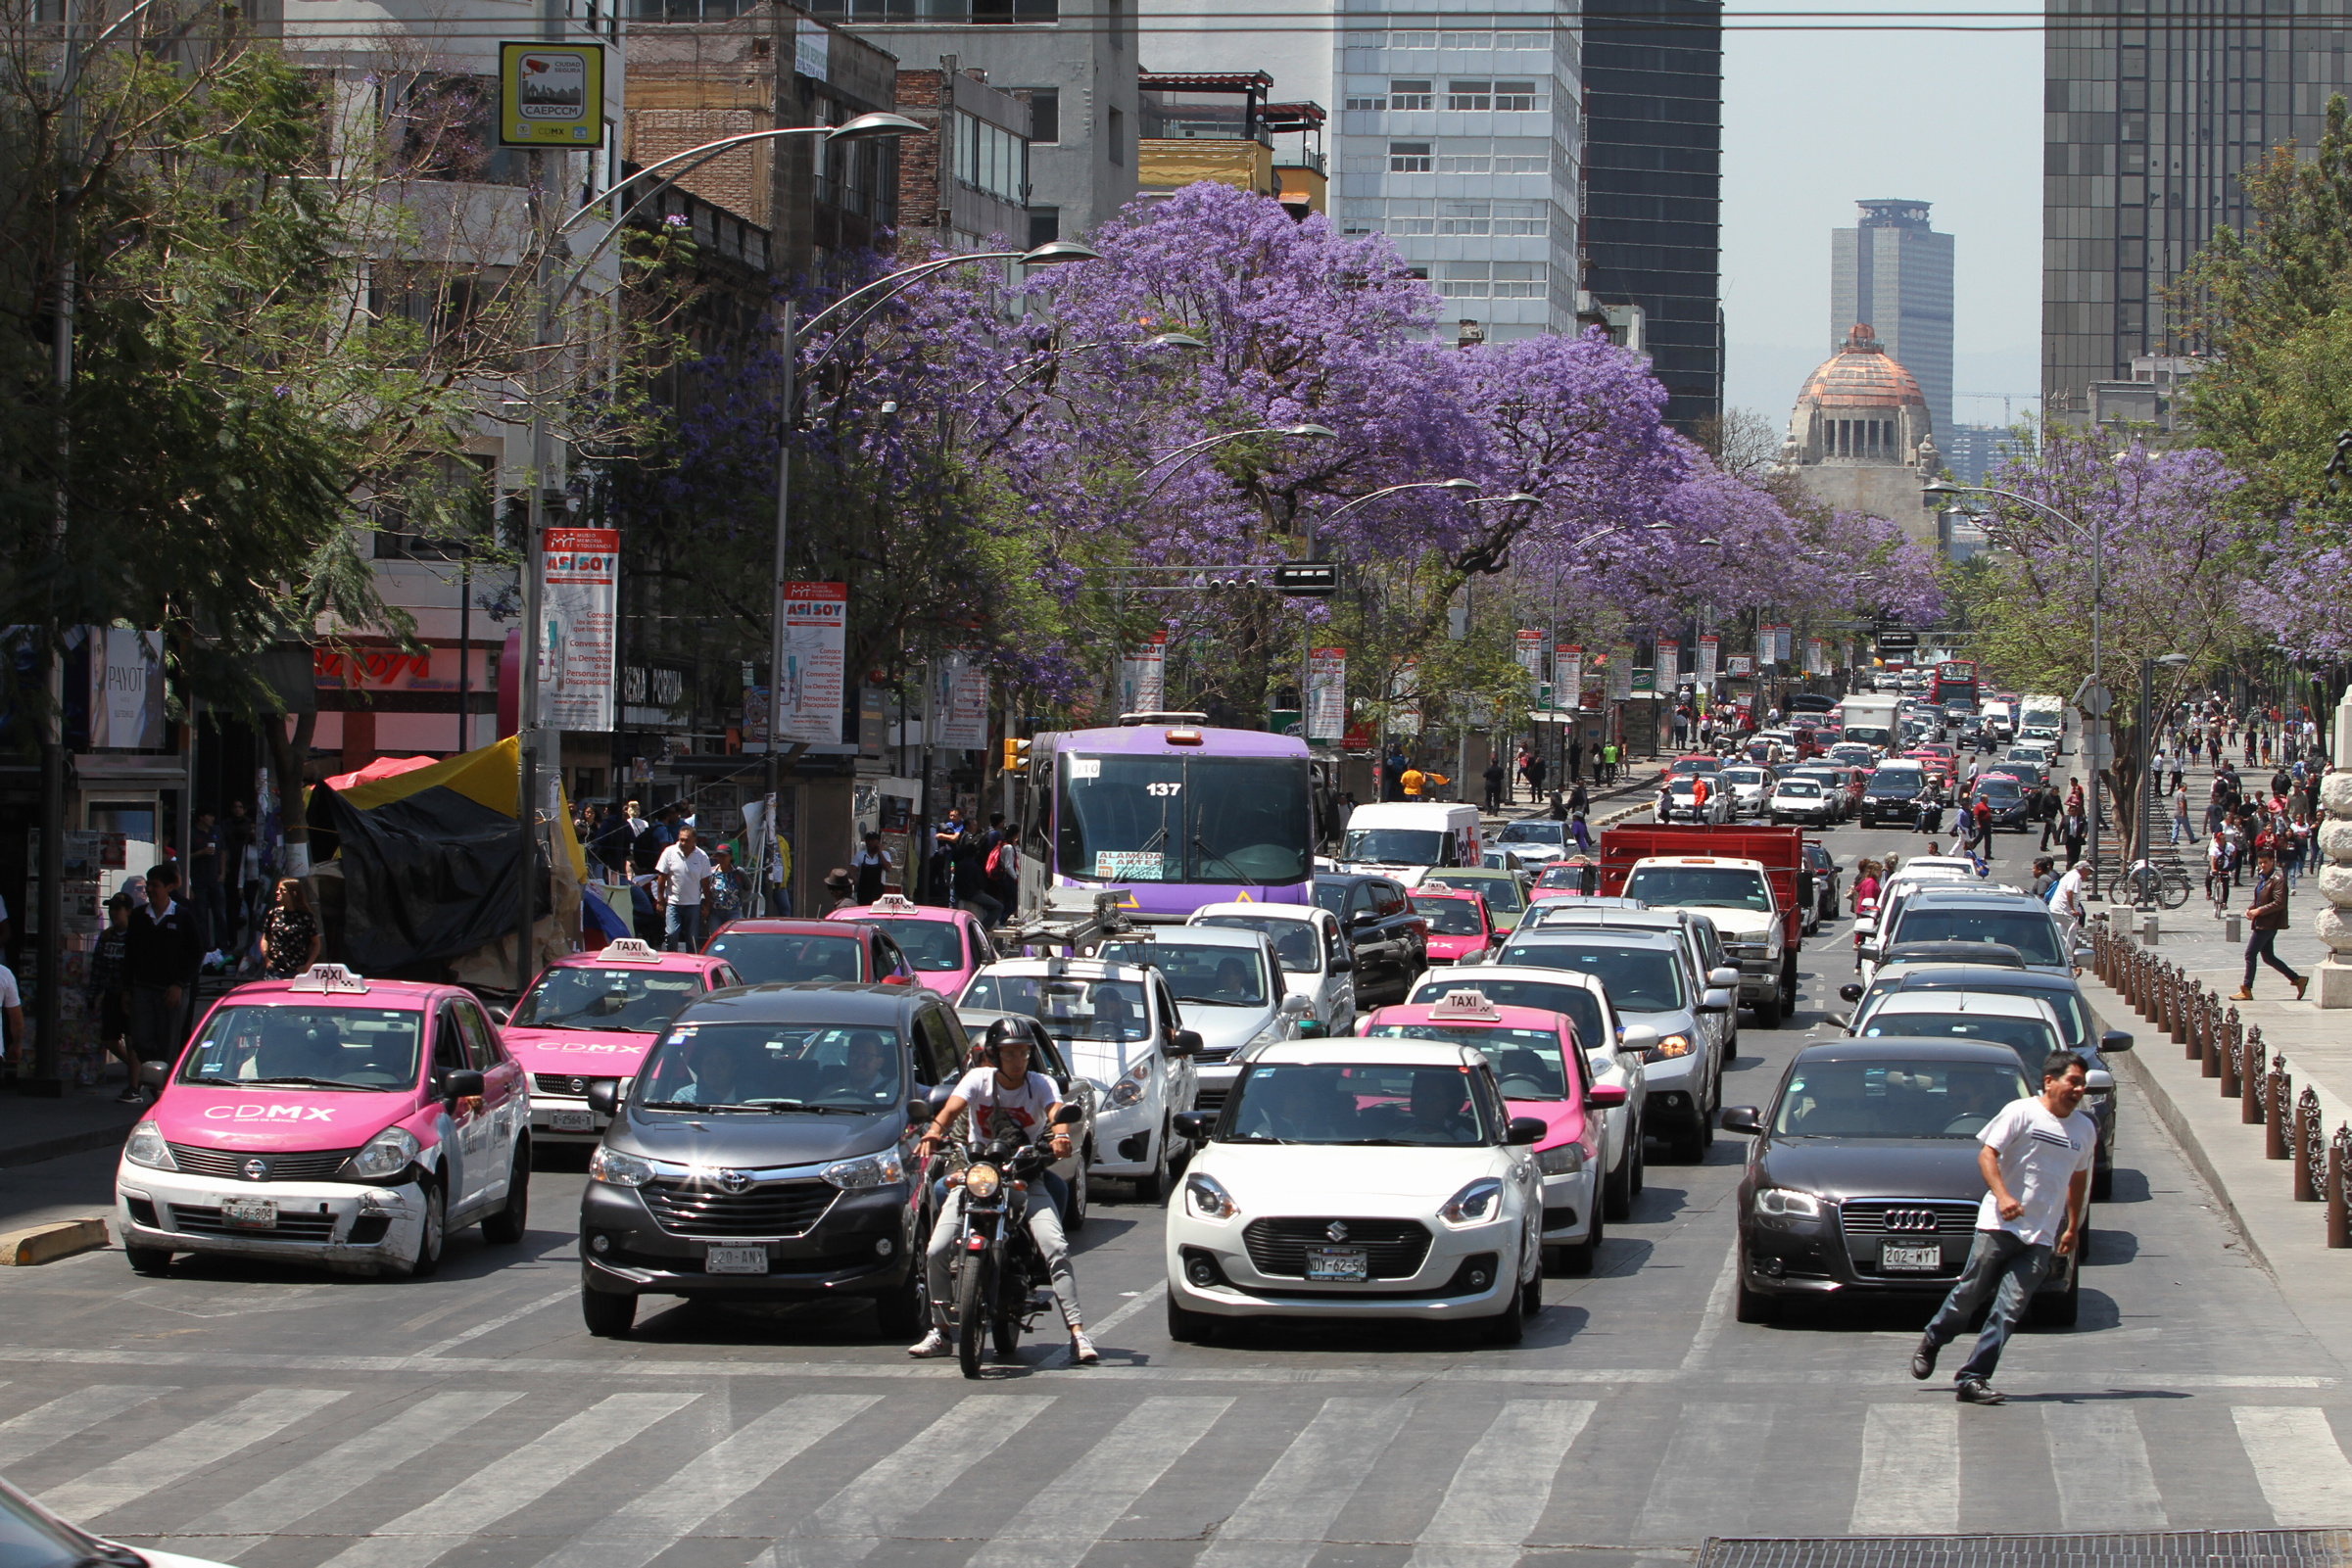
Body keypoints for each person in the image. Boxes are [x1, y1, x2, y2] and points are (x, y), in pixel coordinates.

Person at [1908, 1051, 2095, 1404]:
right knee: (1969, 1295)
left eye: (2083, 1084)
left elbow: (2078, 1177)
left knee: (2010, 1309)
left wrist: (2072, 1226)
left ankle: (1974, 1377)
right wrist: (2003, 1195)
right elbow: (1986, 1154)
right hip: (1999, 1224)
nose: (2079, 1089)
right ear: (2050, 1081)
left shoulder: (2084, 1129)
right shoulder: (2020, 1112)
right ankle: (1933, 1339)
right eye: (2073, 1081)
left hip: (2040, 1234)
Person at [910, 1021, 1096, 1364]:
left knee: (1055, 1245)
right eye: (1010, 1053)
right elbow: (951, 1109)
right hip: (979, 1173)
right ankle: (940, 1331)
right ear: (994, 1055)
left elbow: (1057, 1112)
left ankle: (1078, 1333)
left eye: (1024, 1053)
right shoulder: (977, 1080)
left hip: (1025, 1174)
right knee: (936, 1249)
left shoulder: (1040, 1084)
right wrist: (934, 1132)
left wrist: (1061, 1135)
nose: (1018, 1060)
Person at [124, 864, 202, 1073]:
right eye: (148, 885)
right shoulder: (139, 916)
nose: (150, 889)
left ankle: (163, 1089)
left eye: (155, 885)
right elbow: (130, 953)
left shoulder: (182, 915)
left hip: (172, 992)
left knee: (169, 1044)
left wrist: (179, 985)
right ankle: (153, 1076)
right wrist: (126, 989)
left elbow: (195, 954)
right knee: (140, 1039)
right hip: (143, 988)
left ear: (168, 887)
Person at [2235, 849, 2305, 1001]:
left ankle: (2247, 989)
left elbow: (2279, 902)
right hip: (2262, 922)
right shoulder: (2263, 878)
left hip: (2268, 924)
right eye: (2260, 862)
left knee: (2250, 954)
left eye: (2266, 862)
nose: (2263, 865)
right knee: (2268, 957)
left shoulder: (2278, 879)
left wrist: (2259, 911)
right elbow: (2261, 898)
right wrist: (2251, 908)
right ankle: (2297, 979)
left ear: (2272, 862)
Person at [89, 894, 137, 1101]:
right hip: (110, 993)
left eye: (118, 909)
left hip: (131, 995)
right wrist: (93, 993)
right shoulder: (107, 936)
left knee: (132, 1038)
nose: (113, 913)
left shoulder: (135, 936)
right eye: (111, 909)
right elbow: (97, 967)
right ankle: (137, 1068)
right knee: (109, 1038)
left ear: (128, 911)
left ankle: (134, 1085)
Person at [654, 824, 713, 951]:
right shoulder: (669, 852)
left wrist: (707, 904)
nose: (683, 842)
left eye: (686, 840)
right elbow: (662, 878)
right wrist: (660, 900)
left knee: (692, 939)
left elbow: (705, 883)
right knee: (672, 934)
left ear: (694, 841)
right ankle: (672, 962)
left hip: (693, 904)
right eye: (681, 839)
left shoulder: (702, 856)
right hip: (673, 903)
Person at [261, 878, 321, 979]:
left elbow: (316, 943)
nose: (277, 892)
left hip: (297, 971)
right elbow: (265, 938)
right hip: (275, 970)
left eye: (282, 890)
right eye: (277, 889)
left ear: (293, 894)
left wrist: (308, 964)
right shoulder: (274, 914)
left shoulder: (305, 917)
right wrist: (266, 959)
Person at [2051, 861, 2088, 961]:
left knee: (2061, 932)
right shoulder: (2076, 877)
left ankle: (2061, 953)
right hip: (2064, 910)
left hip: (2056, 908)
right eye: (2088, 871)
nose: (2089, 874)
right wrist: (2072, 909)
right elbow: (2069, 891)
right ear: (2083, 869)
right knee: (2071, 931)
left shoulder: (2070, 874)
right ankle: (2068, 956)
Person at [850, 832, 892, 906]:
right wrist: (856, 881)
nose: (870, 842)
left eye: (873, 840)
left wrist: (880, 852)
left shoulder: (885, 854)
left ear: (878, 842)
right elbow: (852, 871)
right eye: (868, 840)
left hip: (878, 892)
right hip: (863, 892)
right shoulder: (860, 855)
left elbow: (888, 868)